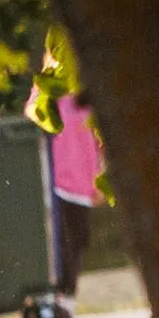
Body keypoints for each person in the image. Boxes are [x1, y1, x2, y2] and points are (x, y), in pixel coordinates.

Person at [50, 87, 106, 294]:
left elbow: (102, 143)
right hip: (57, 183)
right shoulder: (50, 97)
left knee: (79, 240)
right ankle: (63, 291)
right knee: (63, 242)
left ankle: (68, 293)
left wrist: (100, 180)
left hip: (83, 184)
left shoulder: (88, 99)